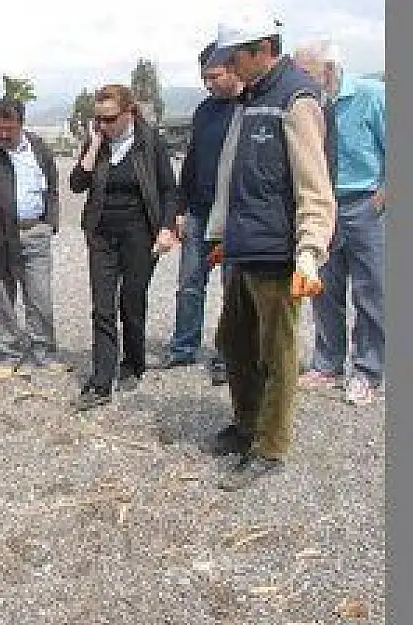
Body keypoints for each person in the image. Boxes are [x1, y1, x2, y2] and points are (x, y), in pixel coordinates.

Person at [203, 12, 337, 491]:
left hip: (280, 254)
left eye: (233, 56)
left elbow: (315, 186)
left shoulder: (295, 99)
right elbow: (233, 175)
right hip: (245, 248)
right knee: (234, 343)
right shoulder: (253, 96)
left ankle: (271, 446)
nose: (228, 64)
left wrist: (309, 251)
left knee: (276, 354)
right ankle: (246, 426)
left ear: (261, 49)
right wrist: (220, 235)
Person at [68, 84, 180, 411]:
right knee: (102, 307)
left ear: (129, 114)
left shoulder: (149, 143)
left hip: (139, 234)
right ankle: (101, 380)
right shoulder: (98, 143)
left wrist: (166, 228)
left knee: (131, 302)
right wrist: (93, 146)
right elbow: (76, 184)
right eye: (97, 119)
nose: (103, 125)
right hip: (102, 234)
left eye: (110, 119)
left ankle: (133, 362)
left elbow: (169, 190)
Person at [293, 40, 386, 406]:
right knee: (325, 289)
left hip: (364, 202)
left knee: (371, 291)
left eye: (308, 73)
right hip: (324, 204)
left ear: (328, 69)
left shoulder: (371, 95)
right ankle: (327, 363)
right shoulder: (309, 103)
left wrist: (385, 191)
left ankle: (368, 371)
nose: (303, 80)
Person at [151, 43, 245, 385]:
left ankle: (228, 355)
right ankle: (183, 346)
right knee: (189, 285)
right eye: (204, 77)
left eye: (214, 76)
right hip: (199, 214)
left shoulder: (248, 108)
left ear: (233, 69)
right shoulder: (204, 111)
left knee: (233, 290)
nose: (208, 84)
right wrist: (179, 209)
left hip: (236, 218)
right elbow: (190, 164)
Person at [0, 97, 63, 380]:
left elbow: (53, 187)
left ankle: (43, 351)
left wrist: (49, 223)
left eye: (10, 128)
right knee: (3, 300)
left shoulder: (40, 149)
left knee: (40, 298)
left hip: (35, 234)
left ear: (22, 125)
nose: (3, 134)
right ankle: (9, 353)